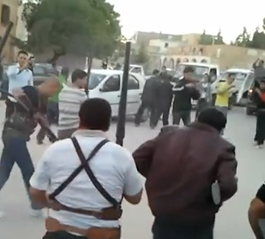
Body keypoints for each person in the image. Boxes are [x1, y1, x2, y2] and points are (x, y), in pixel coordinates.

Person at [29, 98, 144, 239]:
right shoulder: (122, 155)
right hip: (102, 233)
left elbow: (35, 191)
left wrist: (52, 203)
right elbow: (135, 198)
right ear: (108, 123)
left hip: (59, 232)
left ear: (79, 119)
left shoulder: (55, 150)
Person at [132, 108, 237, 239]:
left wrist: (157, 175)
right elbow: (227, 185)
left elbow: (137, 158)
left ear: (197, 120)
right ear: (221, 130)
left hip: (163, 214)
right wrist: (212, 200)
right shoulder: (223, 147)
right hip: (198, 219)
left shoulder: (167, 136)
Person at [0, 85, 45, 219]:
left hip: (10, 138)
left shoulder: (28, 108)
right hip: (15, 140)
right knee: (28, 172)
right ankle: (36, 206)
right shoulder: (22, 105)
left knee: (4, 171)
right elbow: (17, 93)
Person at [37, 67, 67, 144]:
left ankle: (41, 137)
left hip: (50, 102)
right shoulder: (63, 81)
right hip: (56, 103)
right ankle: (58, 138)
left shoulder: (56, 79)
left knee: (49, 121)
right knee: (59, 121)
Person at [57, 69, 88, 139]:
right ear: (78, 79)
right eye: (85, 79)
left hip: (62, 129)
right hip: (75, 129)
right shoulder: (81, 94)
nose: (86, 82)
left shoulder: (62, 92)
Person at [5, 51, 33, 118]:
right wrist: (21, 68)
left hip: (22, 100)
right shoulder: (12, 68)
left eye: (24, 58)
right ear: (17, 58)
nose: (22, 60)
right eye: (21, 58)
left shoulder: (29, 72)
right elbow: (10, 74)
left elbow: (30, 85)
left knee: (21, 119)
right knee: (9, 119)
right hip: (11, 98)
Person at [252, 81, 265, 148]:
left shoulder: (262, 92)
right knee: (258, 126)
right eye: (261, 84)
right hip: (259, 110)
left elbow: (263, 99)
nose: (261, 85)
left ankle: (260, 142)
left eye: (263, 84)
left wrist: (259, 92)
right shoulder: (259, 91)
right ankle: (257, 139)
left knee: (262, 127)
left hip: (263, 111)